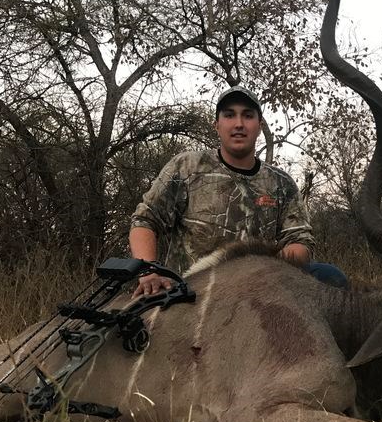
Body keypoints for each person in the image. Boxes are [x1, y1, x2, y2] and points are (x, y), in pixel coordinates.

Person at [129, 85, 347, 297]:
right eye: (230, 115)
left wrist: (267, 269)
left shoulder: (281, 183)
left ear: (259, 125)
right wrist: (149, 272)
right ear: (217, 125)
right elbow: (145, 220)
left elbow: (300, 240)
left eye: (248, 115)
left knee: (329, 276)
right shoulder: (187, 166)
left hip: (256, 292)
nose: (239, 124)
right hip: (192, 295)